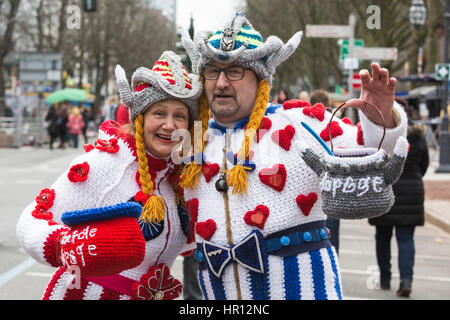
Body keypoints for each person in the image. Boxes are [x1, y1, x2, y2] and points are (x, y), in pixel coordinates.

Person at [179, 13, 407, 300]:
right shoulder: (190, 140)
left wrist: (381, 119)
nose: (221, 82)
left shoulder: (302, 124)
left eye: (235, 71)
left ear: (260, 78)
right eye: (212, 71)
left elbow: (376, 154)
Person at [16, 51, 202, 300]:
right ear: (140, 118)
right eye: (159, 113)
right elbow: (30, 222)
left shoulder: (179, 178)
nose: (169, 125)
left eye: (179, 116)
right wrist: (63, 246)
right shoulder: (108, 164)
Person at [368, 97, 429, 298]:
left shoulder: (379, 137)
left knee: (382, 237)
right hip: (412, 193)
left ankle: (385, 277)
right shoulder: (418, 138)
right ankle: (406, 280)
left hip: (384, 191)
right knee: (406, 239)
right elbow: (424, 166)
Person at [309, 89, 340, 255]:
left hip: (309, 187)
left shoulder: (303, 125)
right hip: (332, 188)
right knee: (333, 236)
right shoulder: (335, 125)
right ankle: (333, 261)